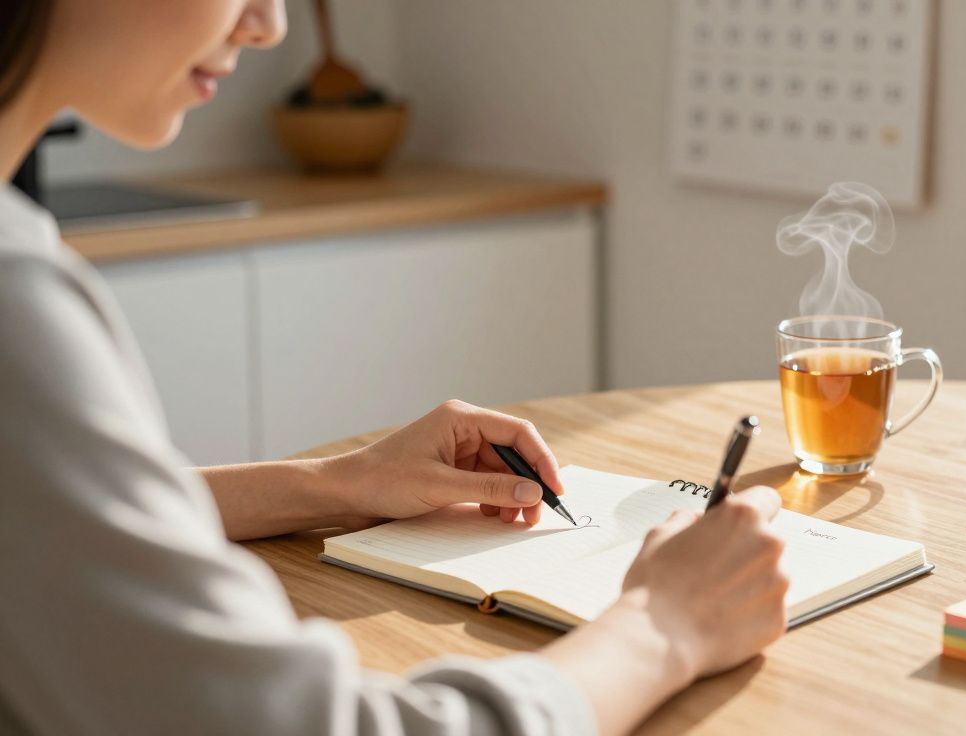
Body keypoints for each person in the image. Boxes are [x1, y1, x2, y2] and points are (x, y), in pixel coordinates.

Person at [0, 2, 790, 734]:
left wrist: (339, 484)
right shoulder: (15, 297)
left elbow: (39, 529)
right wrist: (662, 628)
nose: (269, 24)